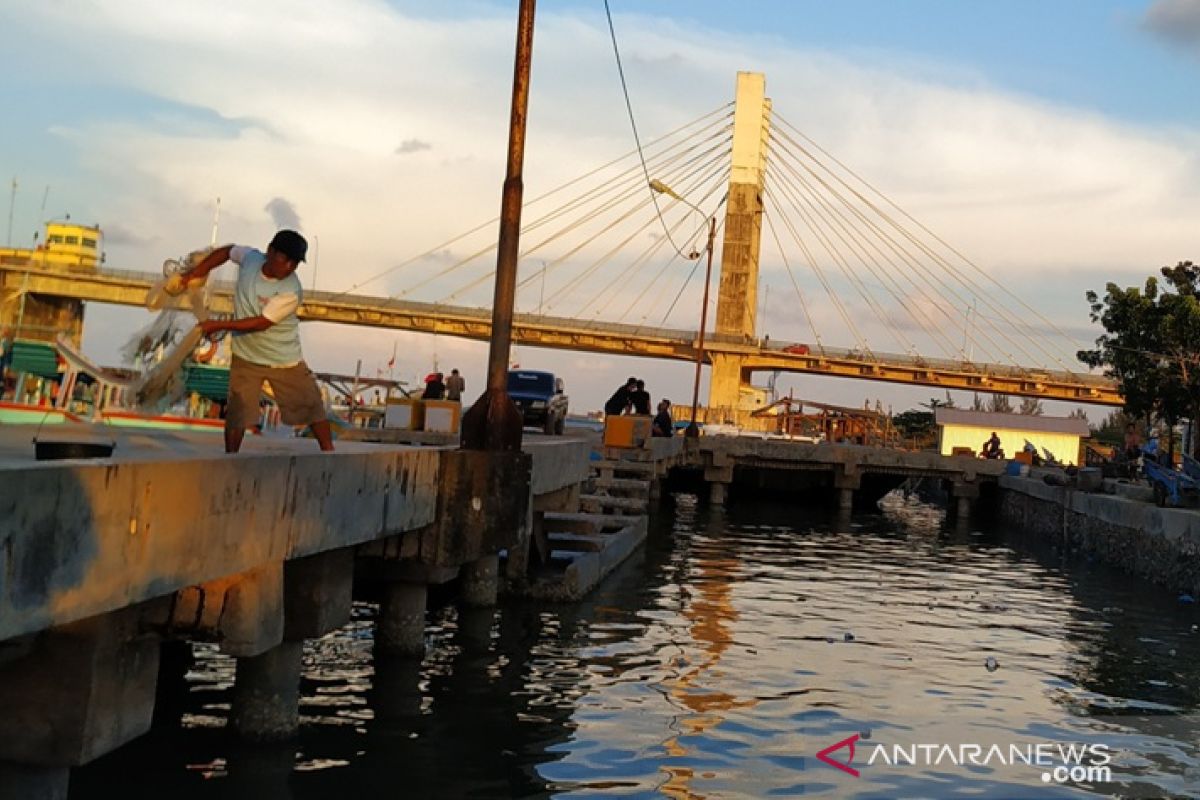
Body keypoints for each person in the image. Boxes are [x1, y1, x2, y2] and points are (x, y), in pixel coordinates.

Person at [185, 229, 333, 453]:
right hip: (246, 356)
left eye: (295, 263)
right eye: (285, 258)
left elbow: (260, 323)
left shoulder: (291, 290)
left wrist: (218, 325)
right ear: (270, 251)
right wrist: (198, 272)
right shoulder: (251, 259)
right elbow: (227, 252)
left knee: (310, 406)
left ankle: (328, 453)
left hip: (283, 359)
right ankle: (231, 459)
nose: (289, 267)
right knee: (237, 414)